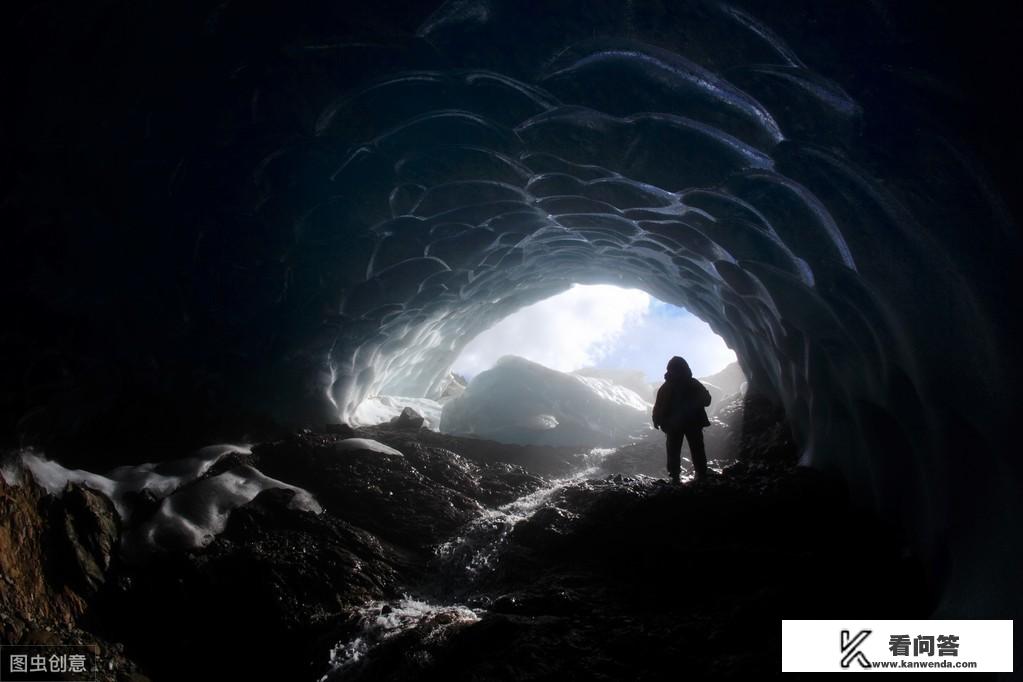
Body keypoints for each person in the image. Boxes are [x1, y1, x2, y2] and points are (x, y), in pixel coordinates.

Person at [652, 356, 712, 484]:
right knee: (691, 448)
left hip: (680, 424)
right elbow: (707, 399)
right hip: (687, 423)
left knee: (680, 449)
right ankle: (694, 475)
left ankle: (679, 476)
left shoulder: (666, 387)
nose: (674, 372)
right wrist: (656, 418)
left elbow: (706, 399)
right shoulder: (691, 383)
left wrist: (657, 419)